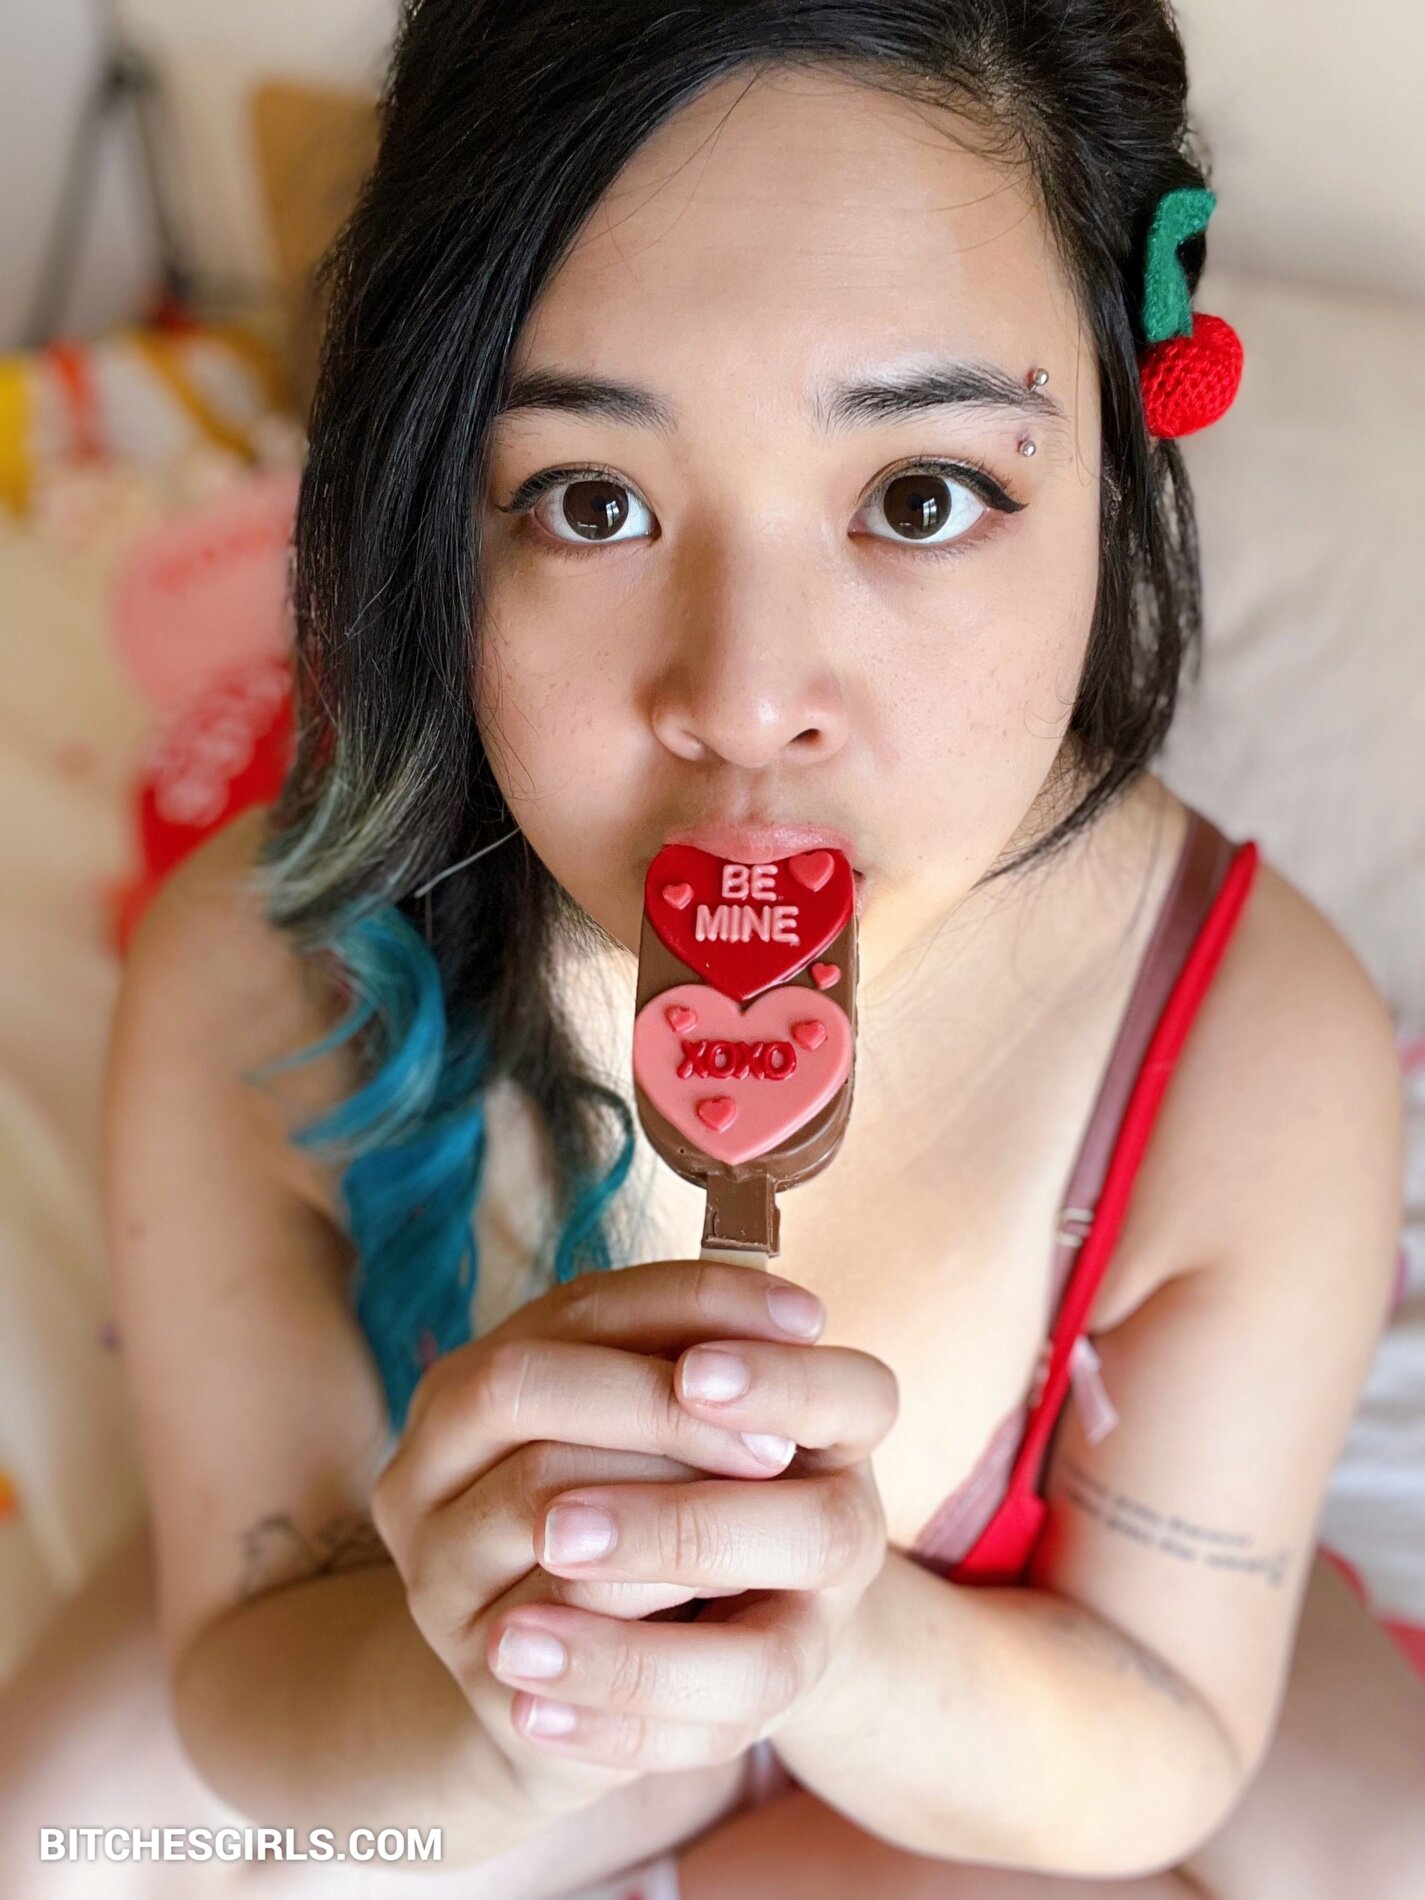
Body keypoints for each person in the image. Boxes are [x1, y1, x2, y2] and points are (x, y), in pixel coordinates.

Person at [96, 2, 1425, 1896]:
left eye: (918, 497)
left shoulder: (1249, 1057)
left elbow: (1159, 1735)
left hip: (1002, 1680)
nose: (740, 697)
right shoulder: (263, 980)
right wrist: (507, 1710)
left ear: (1118, 476)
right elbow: (253, 1662)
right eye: (592, 502)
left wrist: (832, 1636)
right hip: (416, 1657)